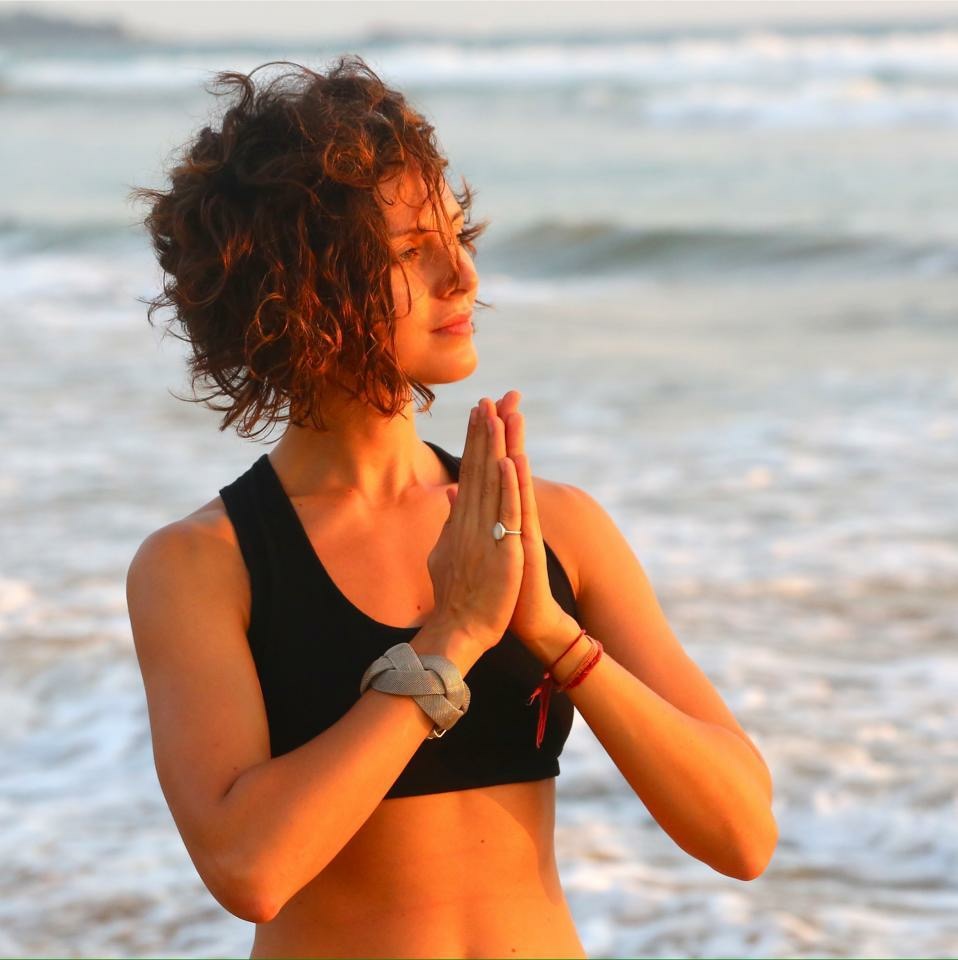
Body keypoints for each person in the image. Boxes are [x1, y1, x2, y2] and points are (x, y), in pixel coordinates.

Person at [126, 56, 777, 960]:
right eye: (409, 251)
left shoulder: (556, 528)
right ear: (301, 289)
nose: (463, 274)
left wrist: (552, 635)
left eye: (456, 235)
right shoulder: (205, 564)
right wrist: (453, 640)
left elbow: (743, 835)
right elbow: (250, 867)